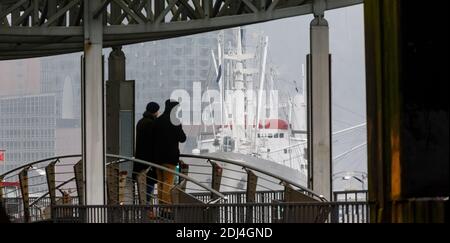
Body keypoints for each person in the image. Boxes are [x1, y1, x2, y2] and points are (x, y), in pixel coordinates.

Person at [153, 99, 186, 204]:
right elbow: (182, 138)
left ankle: (161, 205)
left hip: (157, 158)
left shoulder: (157, 120)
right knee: (168, 182)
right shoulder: (175, 121)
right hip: (170, 157)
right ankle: (166, 208)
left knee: (160, 182)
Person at [134, 102, 159, 204]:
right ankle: (147, 209)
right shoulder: (151, 123)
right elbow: (153, 142)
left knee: (142, 183)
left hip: (140, 157)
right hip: (148, 159)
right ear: (155, 111)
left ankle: (146, 207)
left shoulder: (140, 122)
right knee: (149, 183)